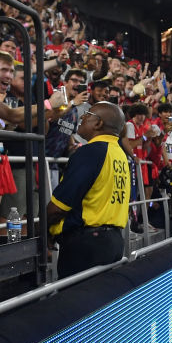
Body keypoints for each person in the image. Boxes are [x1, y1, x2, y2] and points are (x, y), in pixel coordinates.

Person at [47, 101, 130, 277]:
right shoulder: (119, 153)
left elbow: (59, 207)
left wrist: (43, 231)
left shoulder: (91, 151)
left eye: (87, 116)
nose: (82, 118)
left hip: (87, 246)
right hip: (113, 241)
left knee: (75, 302)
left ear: (98, 123)